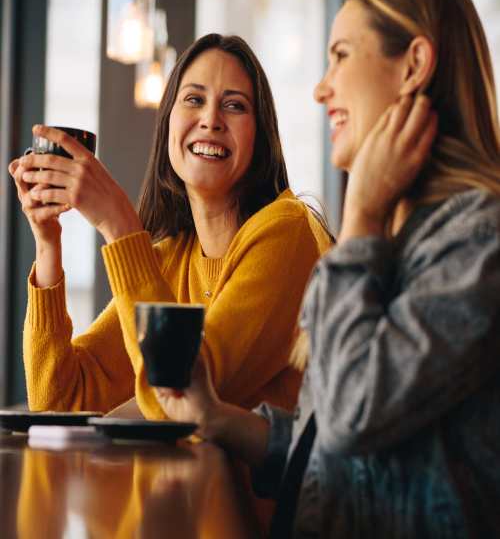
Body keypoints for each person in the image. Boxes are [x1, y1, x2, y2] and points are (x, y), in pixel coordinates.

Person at [156, 0, 500, 538]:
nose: (321, 88)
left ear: (414, 65)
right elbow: (343, 459)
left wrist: (360, 213)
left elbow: (352, 416)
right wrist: (219, 419)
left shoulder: (479, 243)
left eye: (341, 56)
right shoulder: (401, 243)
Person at [8, 33, 332, 419]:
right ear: (167, 126)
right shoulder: (169, 259)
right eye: (194, 99)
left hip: (270, 483)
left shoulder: (287, 233)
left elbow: (181, 401)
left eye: (234, 106)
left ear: (260, 137)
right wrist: (47, 244)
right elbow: (59, 401)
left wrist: (119, 224)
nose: (211, 120)